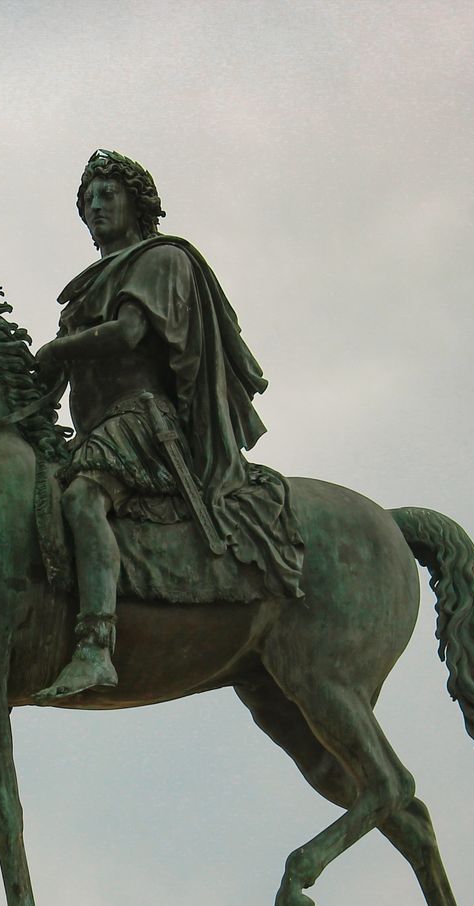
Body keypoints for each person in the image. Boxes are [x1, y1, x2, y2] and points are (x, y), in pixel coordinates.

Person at [32, 150, 304, 701]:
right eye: (88, 200)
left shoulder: (160, 259)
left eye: (108, 194)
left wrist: (58, 348)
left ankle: (96, 646)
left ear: (138, 202)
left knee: (85, 499)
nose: (96, 206)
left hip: (144, 422)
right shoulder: (84, 288)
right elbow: (60, 378)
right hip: (95, 430)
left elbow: (131, 332)